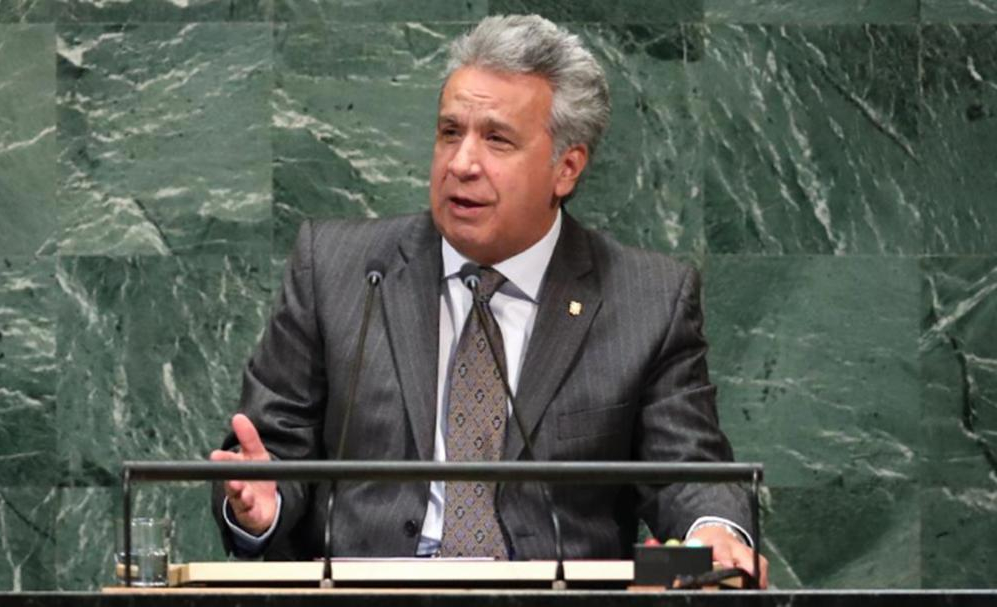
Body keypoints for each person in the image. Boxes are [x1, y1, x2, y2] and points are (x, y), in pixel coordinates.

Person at [210, 14, 768, 586]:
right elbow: (270, 452)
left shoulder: (645, 300)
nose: (461, 164)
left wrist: (714, 532)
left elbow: (689, 471)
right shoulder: (337, 269)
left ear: (566, 168)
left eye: (497, 139)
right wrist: (263, 504)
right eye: (450, 132)